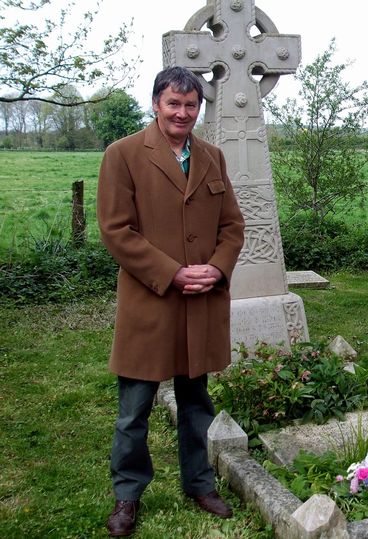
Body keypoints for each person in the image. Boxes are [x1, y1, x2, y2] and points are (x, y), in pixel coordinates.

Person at [97, 66, 245, 537]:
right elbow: (116, 230)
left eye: (190, 105)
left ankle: (199, 482)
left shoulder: (212, 157)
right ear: (156, 104)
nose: (182, 113)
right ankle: (127, 493)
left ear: (199, 109)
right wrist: (171, 272)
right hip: (151, 304)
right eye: (173, 104)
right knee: (133, 410)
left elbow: (232, 226)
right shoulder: (122, 155)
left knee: (196, 403)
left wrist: (217, 268)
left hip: (200, 304)